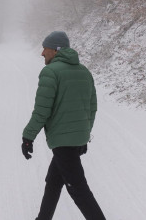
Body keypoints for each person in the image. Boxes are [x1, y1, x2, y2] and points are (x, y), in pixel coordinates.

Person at [21, 31, 106, 220]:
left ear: (55, 50)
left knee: (78, 189)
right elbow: (91, 108)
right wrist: (83, 136)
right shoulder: (84, 72)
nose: (42, 53)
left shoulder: (50, 72)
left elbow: (42, 111)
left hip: (62, 141)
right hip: (75, 139)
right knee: (53, 181)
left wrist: (28, 136)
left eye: (45, 48)